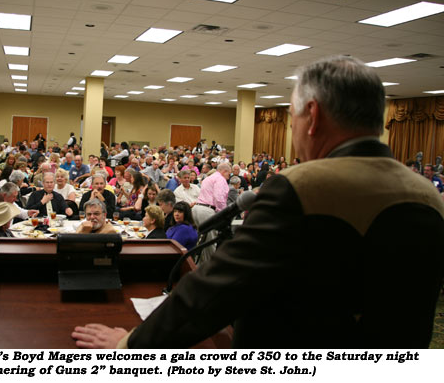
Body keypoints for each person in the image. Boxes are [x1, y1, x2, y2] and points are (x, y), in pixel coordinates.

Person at [72, 55, 444, 349]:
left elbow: (218, 289)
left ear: (312, 116)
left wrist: (128, 343)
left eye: (292, 117)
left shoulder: (303, 187)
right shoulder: (427, 194)